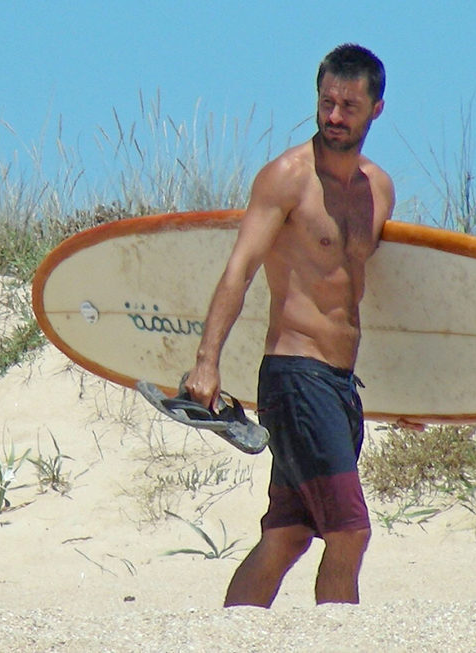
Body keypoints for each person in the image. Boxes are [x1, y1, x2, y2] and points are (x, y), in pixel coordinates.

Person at [182, 43, 394, 607]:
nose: (334, 116)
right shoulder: (286, 178)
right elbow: (240, 268)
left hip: (339, 385)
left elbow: (362, 299)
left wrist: (408, 394)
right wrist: (207, 361)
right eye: (327, 102)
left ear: (376, 108)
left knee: (289, 534)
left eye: (349, 105)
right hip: (295, 375)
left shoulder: (379, 190)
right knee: (350, 531)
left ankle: (232, 637)